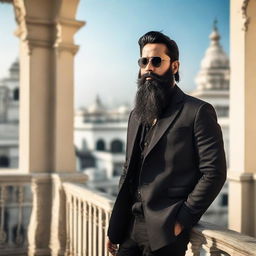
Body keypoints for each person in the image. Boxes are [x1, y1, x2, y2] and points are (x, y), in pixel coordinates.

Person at [106, 31, 227, 256]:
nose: (149, 67)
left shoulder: (197, 111)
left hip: (165, 231)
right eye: (144, 61)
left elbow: (214, 172)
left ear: (174, 66)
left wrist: (182, 219)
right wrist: (116, 227)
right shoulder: (136, 115)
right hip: (129, 228)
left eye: (156, 60)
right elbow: (128, 170)